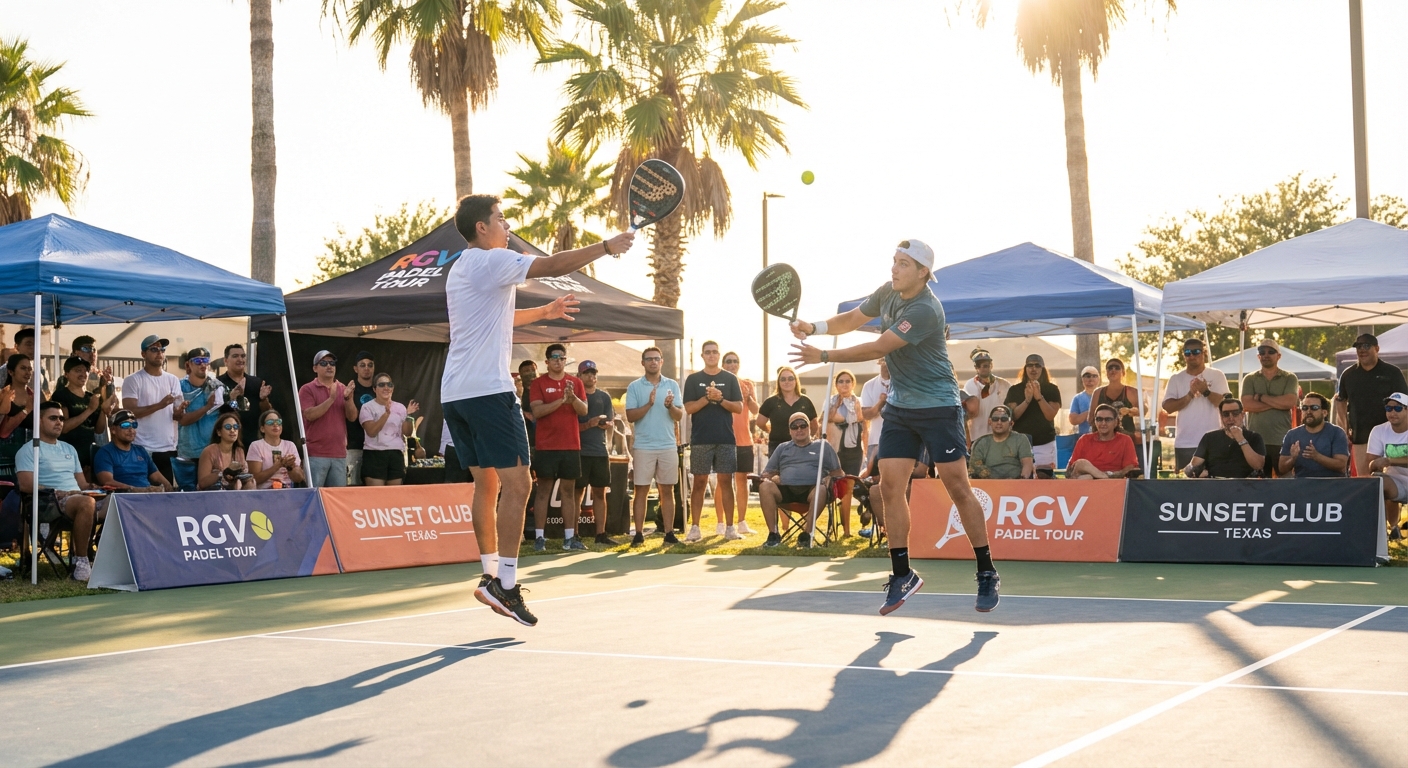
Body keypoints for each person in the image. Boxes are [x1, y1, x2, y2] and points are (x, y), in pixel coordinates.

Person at [440, 193, 633, 626]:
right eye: (501, 219)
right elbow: (550, 265)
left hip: (455, 393)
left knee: (486, 486)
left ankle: (489, 574)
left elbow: (494, 319)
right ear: (481, 229)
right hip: (489, 392)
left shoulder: (462, 270)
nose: (507, 226)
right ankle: (506, 586)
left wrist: (545, 311)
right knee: (521, 484)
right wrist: (606, 247)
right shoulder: (492, 261)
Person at [790, 238, 1000, 614]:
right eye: (894, 261)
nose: (894, 268)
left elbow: (878, 347)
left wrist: (824, 355)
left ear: (923, 273)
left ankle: (986, 570)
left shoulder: (925, 309)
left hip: (939, 407)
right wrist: (816, 326)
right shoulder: (887, 292)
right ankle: (902, 573)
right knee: (889, 487)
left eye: (903, 263)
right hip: (901, 407)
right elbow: (854, 318)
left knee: (958, 488)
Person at [17, 401, 98, 580]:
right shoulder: (28, 450)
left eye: (61, 418)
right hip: (49, 503)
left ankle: (109, 560)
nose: (59, 422)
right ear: (39, 421)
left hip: (78, 497)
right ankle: (82, 562)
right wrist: (56, 491)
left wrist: (96, 488)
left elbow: (83, 485)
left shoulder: (69, 448)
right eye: (53, 418)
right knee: (87, 502)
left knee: (119, 502)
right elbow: (25, 485)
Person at [528, 344, 588, 551]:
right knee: (543, 490)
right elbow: (538, 412)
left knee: (568, 492)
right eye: (554, 357)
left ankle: (569, 538)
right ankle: (539, 538)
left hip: (570, 445)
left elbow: (584, 410)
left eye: (562, 358)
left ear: (565, 360)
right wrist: (562, 401)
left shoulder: (576, 383)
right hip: (546, 445)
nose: (558, 361)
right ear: (547, 361)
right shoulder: (538, 384)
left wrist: (573, 399)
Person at [683, 340, 743, 542]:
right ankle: (695, 528)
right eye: (707, 352)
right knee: (699, 482)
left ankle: (730, 527)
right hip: (701, 439)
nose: (711, 355)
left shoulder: (730, 379)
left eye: (714, 352)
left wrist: (720, 399)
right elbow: (689, 409)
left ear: (719, 355)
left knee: (726, 481)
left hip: (725, 438)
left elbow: (739, 408)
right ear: (702, 356)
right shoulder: (693, 379)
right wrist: (708, 398)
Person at [625, 346, 684, 547]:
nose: (653, 362)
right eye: (649, 359)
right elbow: (630, 416)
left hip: (667, 444)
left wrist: (670, 406)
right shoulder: (634, 386)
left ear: (661, 362)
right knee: (640, 490)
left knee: (666, 490)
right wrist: (649, 404)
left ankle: (669, 533)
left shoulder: (672, 385)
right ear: (643, 362)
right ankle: (639, 533)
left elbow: (679, 416)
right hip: (643, 446)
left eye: (656, 358)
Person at [758, 411, 842, 548]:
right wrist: (773, 478)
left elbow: (838, 472)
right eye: (794, 426)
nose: (799, 429)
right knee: (765, 486)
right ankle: (773, 534)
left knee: (821, 489)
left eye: (803, 425)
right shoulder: (782, 448)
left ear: (809, 427)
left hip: (813, 490)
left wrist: (830, 477)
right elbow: (767, 473)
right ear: (789, 431)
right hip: (786, 490)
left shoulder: (823, 446)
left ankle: (806, 535)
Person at [1336, 333, 1408, 479]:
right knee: (1366, 482)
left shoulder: (1392, 372)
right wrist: (1343, 428)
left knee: (1392, 482)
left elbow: (1405, 401)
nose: (1362, 350)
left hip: (1391, 437)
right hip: (1361, 437)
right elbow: (1341, 401)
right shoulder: (1348, 374)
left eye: (1366, 346)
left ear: (1377, 348)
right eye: (1358, 347)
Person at [122, 335, 186, 484]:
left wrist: (180, 411)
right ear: (143, 354)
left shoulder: (172, 379)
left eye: (162, 349)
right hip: (143, 448)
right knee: (144, 496)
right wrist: (160, 405)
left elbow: (175, 415)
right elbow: (129, 413)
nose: (159, 353)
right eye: (154, 349)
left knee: (167, 497)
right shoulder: (133, 380)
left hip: (168, 448)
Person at [1162, 337, 1229, 470]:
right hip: (1185, 442)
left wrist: (1206, 392)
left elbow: (1225, 405)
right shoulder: (1176, 378)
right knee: (1187, 486)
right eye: (1187, 353)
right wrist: (1189, 395)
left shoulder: (1217, 375)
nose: (1191, 356)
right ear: (1184, 355)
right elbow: (1167, 408)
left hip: (1214, 441)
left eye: (1196, 351)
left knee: (1215, 483)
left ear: (1204, 353)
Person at [299, 350, 358, 488]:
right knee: (315, 497)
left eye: (332, 363)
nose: (329, 366)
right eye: (324, 363)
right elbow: (309, 415)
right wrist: (331, 399)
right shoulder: (307, 389)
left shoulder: (343, 388)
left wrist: (348, 398)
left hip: (339, 454)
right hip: (316, 454)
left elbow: (352, 417)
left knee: (337, 499)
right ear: (315, 368)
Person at [1241, 339, 1299, 476]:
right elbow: (1246, 405)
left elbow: (1290, 402)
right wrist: (1277, 402)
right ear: (1258, 356)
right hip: (1256, 441)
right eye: (1262, 352)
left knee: (1285, 483)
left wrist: (1261, 398)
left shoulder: (1290, 377)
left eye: (1271, 352)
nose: (1266, 355)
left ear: (1278, 356)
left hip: (1282, 440)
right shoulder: (1249, 379)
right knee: (1259, 485)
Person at [575, 359, 617, 546]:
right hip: (580, 451)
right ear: (580, 376)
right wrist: (588, 424)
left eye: (593, 373)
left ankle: (600, 533)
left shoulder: (604, 396)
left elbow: (610, 420)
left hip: (600, 451)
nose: (591, 376)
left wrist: (605, 423)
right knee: (577, 493)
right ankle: (573, 534)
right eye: (587, 373)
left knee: (600, 493)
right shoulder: (575, 397)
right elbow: (570, 426)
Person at [175, 348, 226, 489]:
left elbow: (224, 416)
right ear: (188, 365)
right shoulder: (179, 387)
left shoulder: (217, 386)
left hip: (212, 452)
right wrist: (206, 407)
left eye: (205, 361)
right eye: (197, 361)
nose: (202, 365)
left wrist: (233, 397)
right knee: (187, 496)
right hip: (188, 453)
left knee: (211, 497)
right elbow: (183, 420)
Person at [52, 356, 109, 481]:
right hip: (66, 454)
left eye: (85, 371)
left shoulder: (92, 397)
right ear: (66, 374)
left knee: (87, 492)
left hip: (87, 455)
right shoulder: (61, 394)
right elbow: (64, 427)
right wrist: (90, 410)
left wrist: (103, 409)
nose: (83, 374)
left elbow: (99, 430)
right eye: (78, 370)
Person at [1004, 354, 1062, 476]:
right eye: (1030, 365)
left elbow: (1050, 415)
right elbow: (1012, 416)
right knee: (1020, 479)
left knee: (1046, 480)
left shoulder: (1052, 389)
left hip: (1044, 444)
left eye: (1037, 365)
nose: (1033, 369)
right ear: (1025, 369)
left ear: (1043, 369)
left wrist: (1039, 397)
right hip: (1019, 445)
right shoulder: (1015, 390)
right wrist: (1027, 400)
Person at [825, 369, 867, 537]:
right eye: (841, 381)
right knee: (834, 487)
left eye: (847, 381)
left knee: (848, 489)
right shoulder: (830, 401)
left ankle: (847, 530)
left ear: (853, 383)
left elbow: (861, 420)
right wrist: (837, 406)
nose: (844, 384)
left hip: (854, 449)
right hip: (835, 449)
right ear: (836, 384)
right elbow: (828, 418)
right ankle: (833, 527)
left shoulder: (859, 401)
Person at [722, 351, 759, 536]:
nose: (732, 364)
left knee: (742, 481)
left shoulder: (747, 384)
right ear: (723, 364)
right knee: (723, 481)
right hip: (724, 438)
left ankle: (742, 521)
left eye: (735, 361)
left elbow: (755, 410)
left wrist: (749, 397)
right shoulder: (719, 383)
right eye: (728, 361)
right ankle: (721, 522)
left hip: (744, 439)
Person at [359, 372, 419, 487]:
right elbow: (371, 432)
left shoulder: (400, 407)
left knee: (394, 496)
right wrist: (386, 414)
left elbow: (407, 433)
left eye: (389, 384)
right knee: (377, 497)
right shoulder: (367, 407)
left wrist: (408, 415)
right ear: (374, 389)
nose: (386, 387)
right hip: (375, 454)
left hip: (395, 454)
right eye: (381, 385)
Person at [217, 343, 274, 461]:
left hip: (252, 438)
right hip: (228, 439)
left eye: (243, 356)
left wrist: (263, 399)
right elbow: (216, 412)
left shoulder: (256, 382)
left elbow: (267, 412)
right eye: (235, 356)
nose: (240, 359)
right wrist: (231, 398)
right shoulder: (218, 384)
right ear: (226, 360)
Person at [1184, 398, 1265, 478]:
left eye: (1235, 413)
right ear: (1221, 417)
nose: (1231, 418)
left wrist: (1241, 439)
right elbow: (1193, 466)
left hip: (1244, 485)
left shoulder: (1254, 437)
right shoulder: (1209, 437)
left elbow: (1258, 465)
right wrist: (1196, 472)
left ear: (1242, 415)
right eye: (1226, 414)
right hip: (1214, 484)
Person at [93, 409, 172, 490]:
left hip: (148, 496)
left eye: (134, 425)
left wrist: (168, 487)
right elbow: (107, 482)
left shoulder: (141, 451)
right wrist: (137, 490)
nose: (131, 429)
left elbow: (157, 477)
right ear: (113, 430)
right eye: (125, 425)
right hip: (124, 499)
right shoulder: (105, 453)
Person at [1278, 393, 1349, 480]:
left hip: (1332, 486)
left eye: (1314, 408)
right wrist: (1293, 459)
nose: (1308, 411)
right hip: (1302, 486)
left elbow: (1341, 465)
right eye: (1304, 408)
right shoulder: (1292, 434)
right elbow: (1281, 468)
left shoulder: (1337, 433)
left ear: (1324, 413)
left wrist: (1317, 456)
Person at [859, 358, 892, 535]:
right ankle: (880, 527)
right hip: (876, 441)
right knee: (875, 484)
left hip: (898, 441)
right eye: (885, 356)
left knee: (893, 485)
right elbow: (866, 414)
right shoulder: (869, 385)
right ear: (880, 360)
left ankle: (892, 526)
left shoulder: (903, 381)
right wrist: (880, 402)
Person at [1368, 393, 1408, 539]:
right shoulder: (1379, 430)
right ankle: (1388, 530)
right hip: (1396, 483)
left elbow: (1387, 461)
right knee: (1377, 480)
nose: (1392, 412)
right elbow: (1372, 463)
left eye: (1398, 408)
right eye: (1388, 408)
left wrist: (1390, 460)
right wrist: (1375, 464)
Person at [1066, 404, 1141, 479]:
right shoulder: (1084, 439)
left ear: (1116, 422)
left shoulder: (1125, 440)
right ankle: (1101, 476)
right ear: (1095, 422)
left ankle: (1102, 477)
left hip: (1113, 483)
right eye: (1099, 419)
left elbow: (1130, 468)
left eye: (1108, 419)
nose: (1103, 423)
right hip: (1088, 482)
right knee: (1083, 467)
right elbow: (1070, 470)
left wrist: (1110, 475)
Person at [756, 366, 817, 454]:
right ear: (778, 382)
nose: (787, 382)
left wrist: (807, 438)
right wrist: (770, 430)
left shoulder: (805, 401)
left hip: (802, 446)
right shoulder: (771, 402)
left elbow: (814, 425)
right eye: (783, 379)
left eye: (790, 378)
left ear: (796, 381)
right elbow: (760, 422)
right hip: (777, 446)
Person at [339, 350, 377, 486]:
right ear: (356, 368)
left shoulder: (379, 389)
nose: (367, 368)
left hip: (376, 448)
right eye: (362, 365)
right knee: (353, 486)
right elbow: (351, 417)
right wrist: (349, 398)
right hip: (355, 446)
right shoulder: (351, 389)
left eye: (370, 365)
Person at [968, 405, 1034, 480]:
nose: (999, 422)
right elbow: (976, 467)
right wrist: (997, 482)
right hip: (989, 484)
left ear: (1011, 423)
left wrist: (1021, 480)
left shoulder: (1021, 439)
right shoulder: (981, 442)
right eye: (995, 419)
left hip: (1015, 484)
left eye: (1004, 419)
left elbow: (1027, 464)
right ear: (990, 422)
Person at [247, 409, 306, 489]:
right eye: (270, 422)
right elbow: (254, 480)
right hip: (264, 492)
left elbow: (298, 479)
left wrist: (290, 466)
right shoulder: (256, 446)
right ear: (262, 429)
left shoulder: (290, 445)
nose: (275, 425)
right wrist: (277, 466)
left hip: (286, 491)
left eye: (278, 422)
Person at [962, 348, 1010, 442]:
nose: (983, 367)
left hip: (1000, 436)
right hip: (976, 436)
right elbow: (965, 413)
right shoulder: (969, 385)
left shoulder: (1004, 384)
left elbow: (1010, 409)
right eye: (979, 365)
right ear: (976, 367)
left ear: (991, 365)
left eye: (986, 365)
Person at [197, 412, 253, 490]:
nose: (232, 430)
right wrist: (222, 474)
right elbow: (202, 483)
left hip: (234, 494)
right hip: (212, 495)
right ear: (219, 432)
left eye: (236, 427)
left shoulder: (239, 451)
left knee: (251, 482)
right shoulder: (209, 451)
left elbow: (242, 478)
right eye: (228, 427)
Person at [0, 328, 49, 394]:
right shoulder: (4, 371)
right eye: (28, 344)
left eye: (35, 344)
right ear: (16, 347)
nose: (33, 348)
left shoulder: (38, 371)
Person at [1067, 366, 1101, 436]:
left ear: (1098, 379)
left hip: (1104, 438)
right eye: (1087, 376)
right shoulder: (1078, 398)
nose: (1091, 380)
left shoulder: (1106, 395)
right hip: (1085, 438)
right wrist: (1090, 412)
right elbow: (1073, 420)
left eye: (1094, 376)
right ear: (1082, 379)